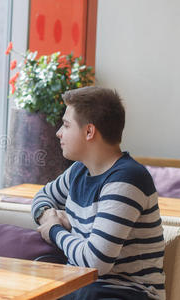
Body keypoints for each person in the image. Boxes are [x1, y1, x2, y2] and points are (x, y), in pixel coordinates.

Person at [31, 87, 165, 300]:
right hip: (84, 287)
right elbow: (41, 198)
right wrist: (49, 215)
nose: (58, 133)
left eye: (66, 125)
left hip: (126, 293)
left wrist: (54, 230)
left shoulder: (127, 178)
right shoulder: (79, 170)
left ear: (89, 132)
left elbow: (96, 263)